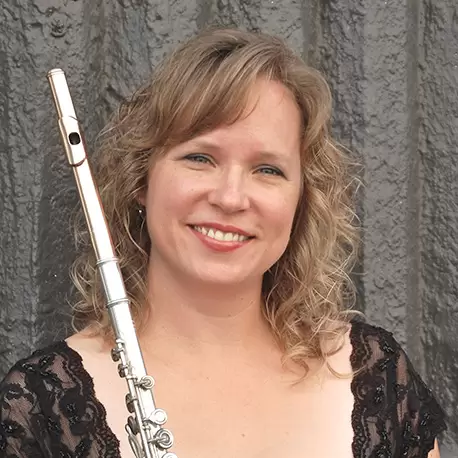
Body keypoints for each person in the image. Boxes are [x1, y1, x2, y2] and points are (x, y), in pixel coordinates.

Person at [0, 28, 447, 458]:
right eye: (200, 158)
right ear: (142, 180)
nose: (231, 198)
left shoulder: (376, 379)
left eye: (268, 169)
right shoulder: (41, 408)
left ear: (301, 199)